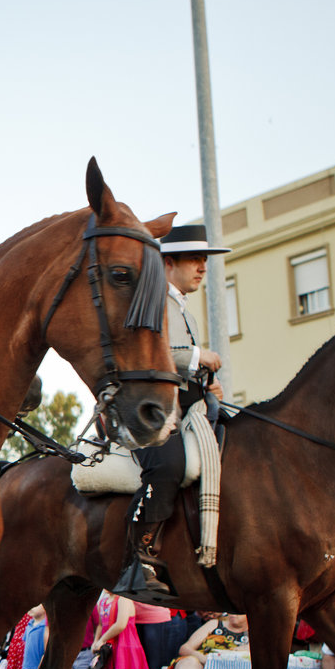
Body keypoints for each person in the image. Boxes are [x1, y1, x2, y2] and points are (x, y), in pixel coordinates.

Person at [117, 224, 228, 599]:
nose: (202, 267)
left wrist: (205, 382)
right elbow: (156, 354)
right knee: (167, 465)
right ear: (169, 262)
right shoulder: (152, 300)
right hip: (147, 411)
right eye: (195, 259)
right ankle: (138, 557)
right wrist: (200, 356)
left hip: (183, 406)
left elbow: (181, 368)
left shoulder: (183, 309)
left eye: (204, 260)